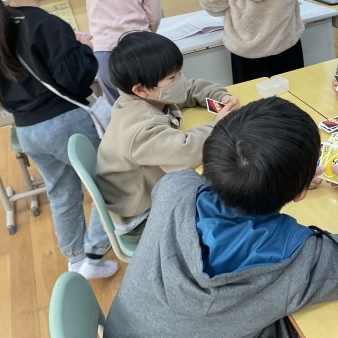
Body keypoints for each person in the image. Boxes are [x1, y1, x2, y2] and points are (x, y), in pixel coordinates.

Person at [102, 96, 338, 338]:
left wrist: (272, 178)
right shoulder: (299, 260)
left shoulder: (173, 186)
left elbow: (205, 184)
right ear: (302, 193)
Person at [0, 0, 117, 278]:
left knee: (61, 192)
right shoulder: (49, 25)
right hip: (65, 124)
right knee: (109, 180)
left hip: (27, 129)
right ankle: (94, 250)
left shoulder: (2, 25)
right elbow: (76, 78)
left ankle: (76, 259)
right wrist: (85, 49)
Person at [96, 31, 238, 243]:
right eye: (173, 78)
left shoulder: (147, 96)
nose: (181, 80)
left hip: (150, 191)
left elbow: (189, 89)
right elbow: (186, 152)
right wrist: (218, 124)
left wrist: (221, 97)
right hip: (141, 219)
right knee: (226, 221)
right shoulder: (139, 128)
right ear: (141, 89)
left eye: (180, 72)